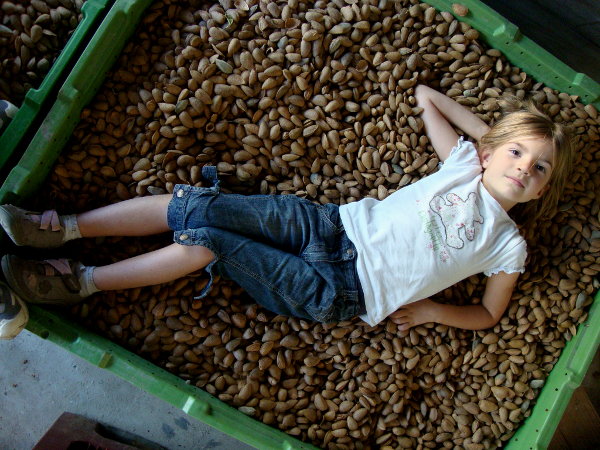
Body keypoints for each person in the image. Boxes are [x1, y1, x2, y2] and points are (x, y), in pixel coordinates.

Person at [0, 84, 573, 338]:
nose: (524, 168)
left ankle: (83, 282)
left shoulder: (508, 246)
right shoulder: (464, 167)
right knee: (197, 203)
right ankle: (64, 229)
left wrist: (432, 314)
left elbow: (490, 315)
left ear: (541, 192)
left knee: (208, 240)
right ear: (492, 148)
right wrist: (496, 143)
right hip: (329, 223)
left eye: (539, 169)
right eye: (519, 153)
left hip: (342, 289)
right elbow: (429, 98)